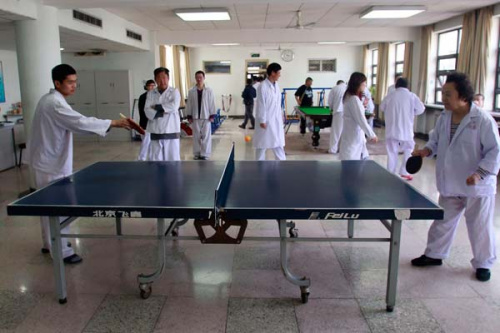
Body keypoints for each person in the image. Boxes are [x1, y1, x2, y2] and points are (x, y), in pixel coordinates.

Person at [28, 64, 131, 264]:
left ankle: (48, 243)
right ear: (57, 83)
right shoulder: (54, 104)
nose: (74, 86)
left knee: (49, 208)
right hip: (50, 164)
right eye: (70, 82)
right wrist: (112, 123)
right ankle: (61, 251)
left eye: (75, 82)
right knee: (58, 208)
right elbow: (80, 122)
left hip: (48, 161)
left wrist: (104, 126)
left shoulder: (52, 100)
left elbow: (76, 125)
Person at [411, 72, 500, 282]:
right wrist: (426, 151)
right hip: (451, 181)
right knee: (443, 221)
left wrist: (479, 174)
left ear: (463, 96)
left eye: (448, 94)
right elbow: (436, 141)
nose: (444, 98)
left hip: (476, 185)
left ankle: (483, 263)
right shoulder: (444, 117)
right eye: (443, 93)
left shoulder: (483, 120)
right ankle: (434, 254)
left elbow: (495, 151)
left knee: (480, 226)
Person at [380, 77, 425, 180]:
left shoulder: (390, 96)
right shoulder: (411, 96)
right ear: (408, 86)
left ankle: (390, 173)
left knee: (392, 152)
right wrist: (412, 113)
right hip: (406, 130)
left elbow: (382, 108)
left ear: (396, 85)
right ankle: (404, 171)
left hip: (392, 130)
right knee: (409, 149)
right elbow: (421, 109)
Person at [339, 72, 378, 160]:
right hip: (353, 138)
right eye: (364, 82)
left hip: (353, 137)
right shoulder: (354, 99)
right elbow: (361, 120)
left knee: (362, 161)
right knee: (352, 166)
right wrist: (372, 135)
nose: (365, 85)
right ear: (358, 83)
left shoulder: (349, 96)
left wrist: (362, 106)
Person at [145, 67, 181, 161]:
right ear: (155, 79)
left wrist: (157, 107)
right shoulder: (151, 93)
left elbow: (174, 107)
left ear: (168, 78)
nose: (162, 80)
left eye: (164, 77)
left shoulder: (174, 92)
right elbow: (147, 110)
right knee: (156, 161)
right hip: (155, 131)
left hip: (171, 130)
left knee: (173, 161)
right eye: (159, 78)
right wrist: (163, 112)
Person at [253, 63, 286, 161]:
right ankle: (259, 165)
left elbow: (277, 103)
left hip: (276, 119)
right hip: (266, 121)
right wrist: (262, 120)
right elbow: (261, 104)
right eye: (278, 72)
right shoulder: (262, 87)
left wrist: (281, 115)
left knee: (278, 144)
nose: (280, 75)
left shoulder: (276, 85)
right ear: (272, 73)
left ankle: (282, 164)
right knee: (262, 145)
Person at [186, 70, 216, 160]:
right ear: (195, 78)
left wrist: (212, 115)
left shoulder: (209, 90)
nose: (199, 79)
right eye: (197, 77)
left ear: (204, 78)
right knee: (196, 136)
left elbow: (212, 103)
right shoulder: (191, 91)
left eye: (201, 77)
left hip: (206, 117)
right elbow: (189, 104)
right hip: (195, 117)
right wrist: (189, 116)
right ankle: (196, 153)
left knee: (206, 136)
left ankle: (205, 154)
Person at [137, 79, 155, 161]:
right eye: (150, 85)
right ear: (146, 87)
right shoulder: (142, 97)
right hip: (145, 123)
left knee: (152, 143)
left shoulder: (155, 96)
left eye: (153, 85)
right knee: (145, 141)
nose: (152, 87)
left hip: (153, 123)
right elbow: (142, 110)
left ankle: (151, 158)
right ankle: (141, 158)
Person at [327, 80, 347, 154]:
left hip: (338, 111)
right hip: (349, 112)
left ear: (337, 83)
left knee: (336, 132)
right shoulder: (349, 88)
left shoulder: (335, 88)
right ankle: (342, 149)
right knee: (345, 132)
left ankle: (333, 149)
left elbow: (330, 101)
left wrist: (332, 108)